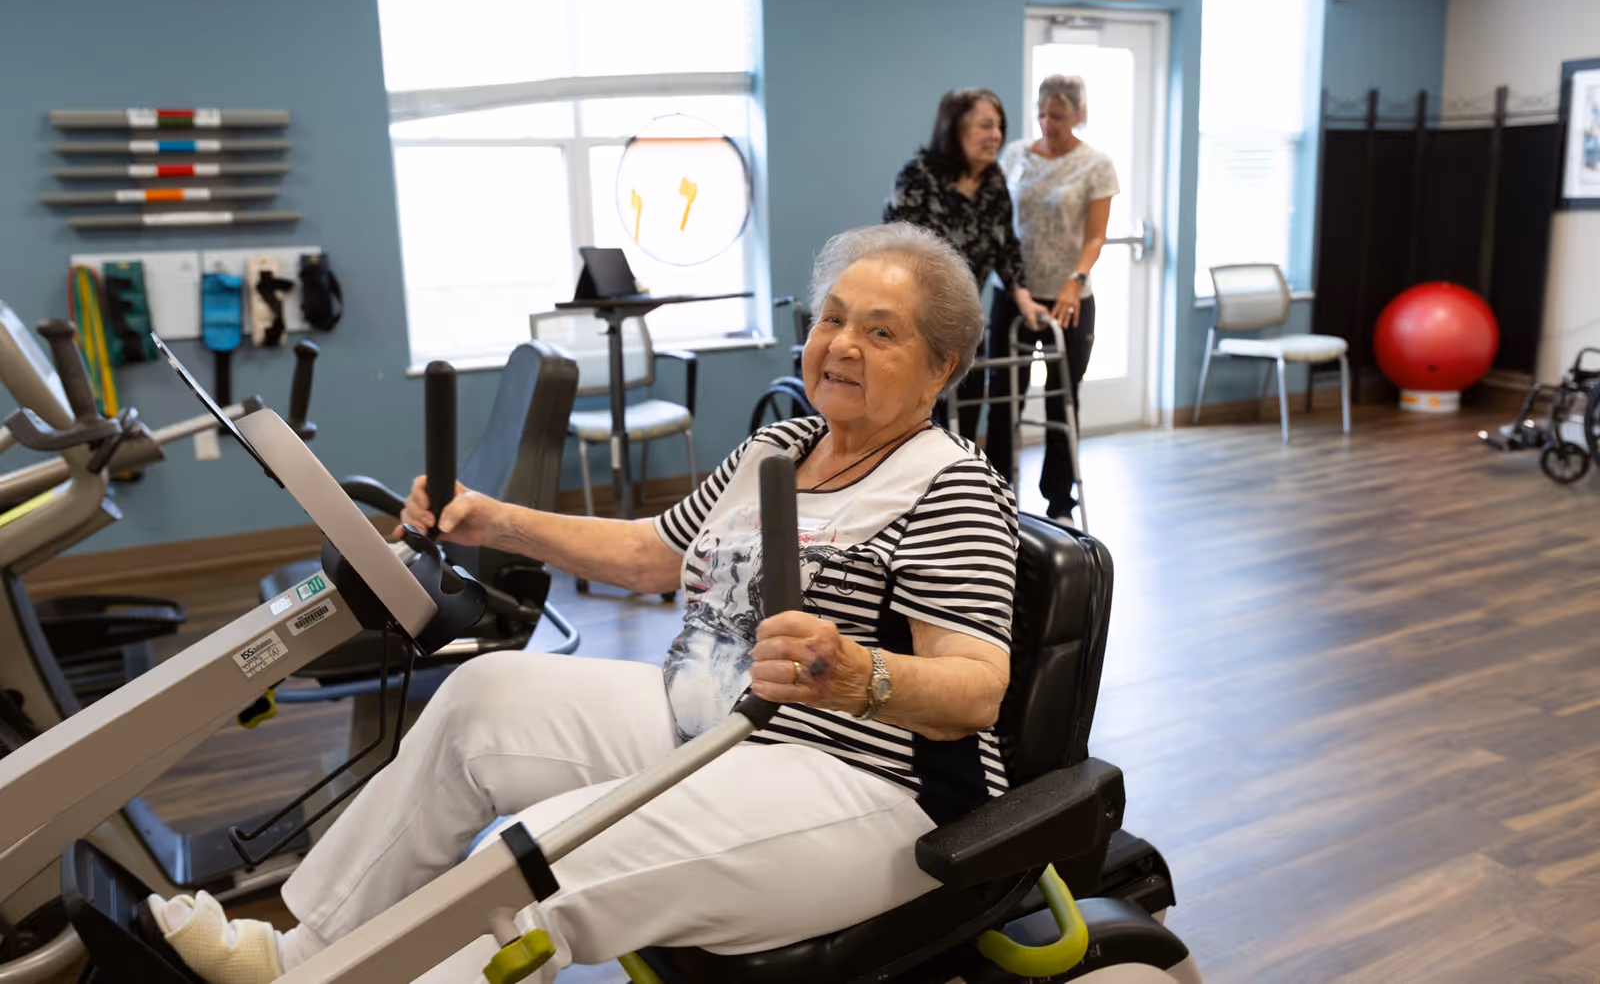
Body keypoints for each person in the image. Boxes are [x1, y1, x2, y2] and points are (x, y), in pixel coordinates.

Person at [150, 222, 1020, 984]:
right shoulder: (781, 445)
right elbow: (650, 552)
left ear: (941, 365)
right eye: (832, 318)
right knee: (482, 697)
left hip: (862, 781)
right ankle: (308, 955)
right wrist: (493, 519)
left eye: (881, 331)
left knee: (527, 866)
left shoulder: (948, 485)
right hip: (715, 723)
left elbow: (976, 688)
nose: (841, 345)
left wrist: (857, 671)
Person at [989, 75, 1118, 521]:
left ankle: (1060, 501)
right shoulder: (1015, 155)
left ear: (1079, 114)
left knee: (1063, 395)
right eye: (1042, 114)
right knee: (1005, 396)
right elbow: (1001, 225)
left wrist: (1074, 282)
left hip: (1070, 297)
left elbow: (1096, 236)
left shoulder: (1095, 164)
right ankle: (998, 497)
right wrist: (1016, 286)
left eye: (1058, 115)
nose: (1048, 123)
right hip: (1015, 293)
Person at [883, 88, 1025, 455]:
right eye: (986, 125)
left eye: (1000, 126)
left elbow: (1006, 245)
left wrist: (1024, 298)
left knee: (965, 418)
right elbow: (897, 253)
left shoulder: (994, 181)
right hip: (916, 323)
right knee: (922, 425)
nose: (996, 135)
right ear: (955, 129)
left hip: (965, 326)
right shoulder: (918, 177)